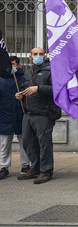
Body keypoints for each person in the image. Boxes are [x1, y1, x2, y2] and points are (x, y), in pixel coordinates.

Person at [15, 47, 58, 184]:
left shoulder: (51, 71)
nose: (38, 56)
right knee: (28, 142)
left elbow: (56, 90)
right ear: (30, 57)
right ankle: (35, 168)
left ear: (45, 56)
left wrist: (39, 88)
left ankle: (46, 171)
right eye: (35, 54)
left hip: (44, 113)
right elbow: (24, 89)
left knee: (44, 143)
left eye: (41, 54)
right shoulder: (29, 73)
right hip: (28, 113)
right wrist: (20, 95)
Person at [0, 56, 29, 179]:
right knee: (4, 143)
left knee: (25, 142)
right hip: (4, 115)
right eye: (9, 65)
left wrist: (23, 97)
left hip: (21, 114)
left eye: (13, 64)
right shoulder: (1, 79)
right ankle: (4, 167)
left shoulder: (24, 78)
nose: (11, 67)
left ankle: (25, 165)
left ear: (18, 65)